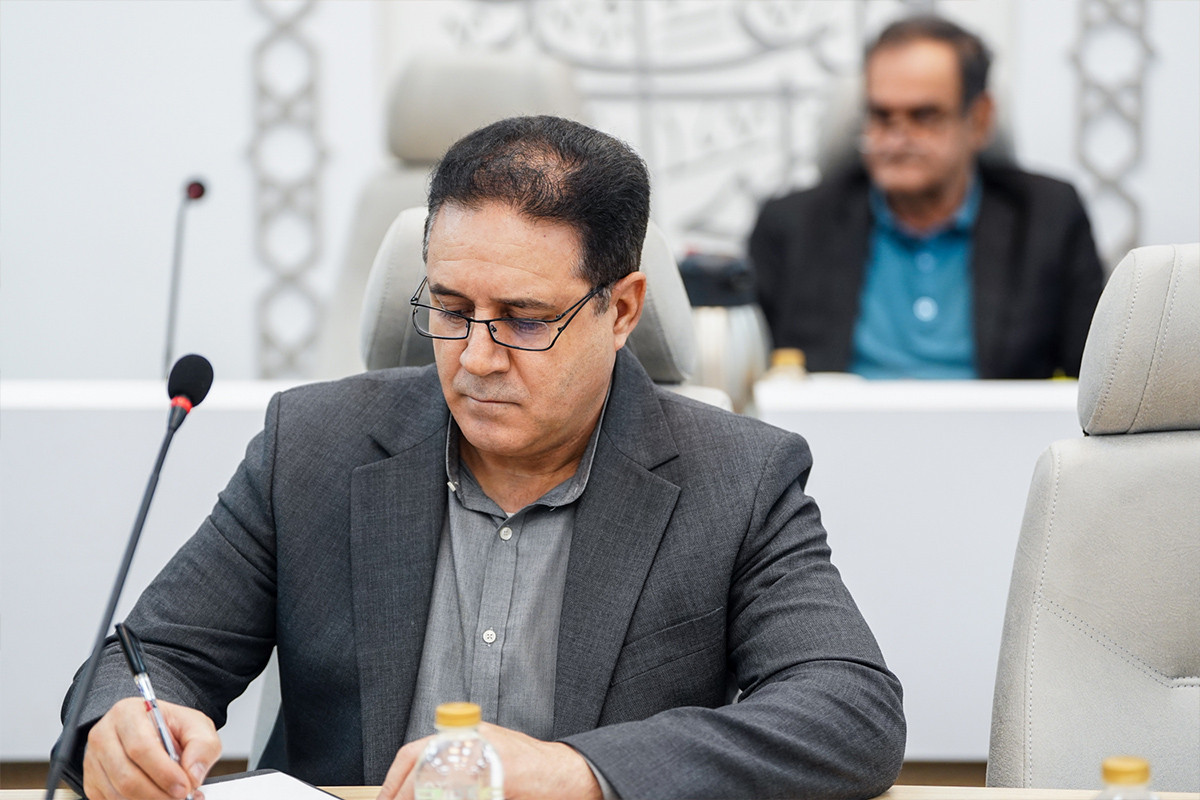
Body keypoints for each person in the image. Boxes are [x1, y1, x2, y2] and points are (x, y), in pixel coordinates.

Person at [59, 115, 905, 800]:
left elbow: (851, 710)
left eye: (525, 319)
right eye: (451, 308)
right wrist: (124, 727)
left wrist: (581, 773)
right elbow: (144, 660)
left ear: (621, 311)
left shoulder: (736, 477)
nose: (476, 357)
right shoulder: (312, 447)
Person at [749, 15, 1106, 379]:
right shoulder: (793, 225)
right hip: (835, 420)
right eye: (881, 116)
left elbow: (1098, 381)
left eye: (924, 116)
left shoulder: (1048, 218)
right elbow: (748, 381)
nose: (896, 139)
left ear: (979, 120)